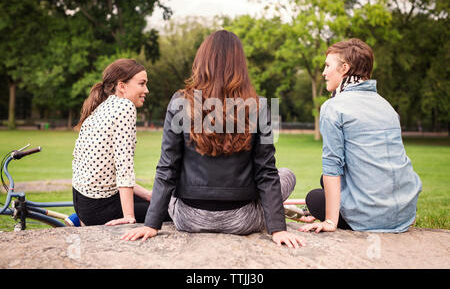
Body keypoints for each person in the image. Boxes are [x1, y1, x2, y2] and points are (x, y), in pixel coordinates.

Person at [120, 30, 305, 248]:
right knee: (286, 174)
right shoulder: (260, 105)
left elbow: (167, 167)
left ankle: (269, 207)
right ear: (240, 66)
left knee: (171, 183)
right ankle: (273, 209)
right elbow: (265, 172)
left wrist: (151, 224)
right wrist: (278, 229)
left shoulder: (180, 101)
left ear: (202, 62)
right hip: (242, 219)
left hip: (188, 218)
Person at [299, 38, 422, 233]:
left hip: (369, 219)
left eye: (328, 65)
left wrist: (330, 221)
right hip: (405, 214)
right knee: (325, 181)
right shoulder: (386, 106)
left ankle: (343, 214)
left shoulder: (333, 107)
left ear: (344, 68)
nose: (323, 72)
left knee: (314, 198)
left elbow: (333, 165)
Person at [72, 58, 154, 226]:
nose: (146, 90)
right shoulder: (125, 107)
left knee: (155, 201)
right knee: (170, 210)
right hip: (99, 207)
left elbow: (109, 173)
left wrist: (147, 194)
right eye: (141, 84)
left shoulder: (104, 106)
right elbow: (124, 167)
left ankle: (74, 219)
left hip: (83, 202)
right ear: (121, 86)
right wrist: (129, 216)